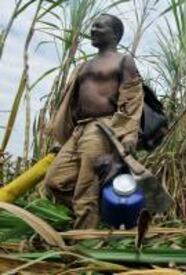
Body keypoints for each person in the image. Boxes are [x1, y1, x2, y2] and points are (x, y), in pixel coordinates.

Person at [44, 14, 145, 229]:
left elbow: (133, 98)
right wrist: (63, 137)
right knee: (54, 182)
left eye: (99, 27)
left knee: (85, 188)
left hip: (102, 128)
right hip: (78, 130)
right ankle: (99, 211)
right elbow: (71, 104)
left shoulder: (123, 60)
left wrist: (129, 134)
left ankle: (84, 244)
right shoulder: (83, 66)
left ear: (115, 34)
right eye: (92, 26)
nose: (92, 30)